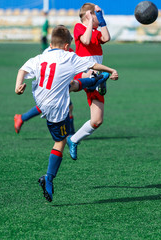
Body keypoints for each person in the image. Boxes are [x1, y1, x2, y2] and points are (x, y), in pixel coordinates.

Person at [14, 25, 119, 202]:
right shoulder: (69, 57)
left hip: (40, 98)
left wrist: (18, 86)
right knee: (60, 141)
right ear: (65, 46)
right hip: (55, 107)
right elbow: (92, 63)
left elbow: (22, 70)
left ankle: (95, 80)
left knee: (71, 85)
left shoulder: (42, 56)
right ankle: (48, 178)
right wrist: (110, 70)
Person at [66, 3, 112, 160]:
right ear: (88, 15)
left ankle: (73, 140)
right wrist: (90, 21)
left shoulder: (96, 32)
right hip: (83, 70)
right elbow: (85, 41)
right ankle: (95, 81)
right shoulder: (79, 27)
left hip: (96, 72)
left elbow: (106, 38)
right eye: (96, 14)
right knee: (91, 76)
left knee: (97, 120)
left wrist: (101, 19)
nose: (99, 17)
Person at [14, 47, 77, 136]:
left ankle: (71, 134)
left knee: (67, 106)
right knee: (56, 105)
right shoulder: (49, 52)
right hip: (50, 86)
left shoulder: (66, 51)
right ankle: (71, 135)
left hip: (58, 85)